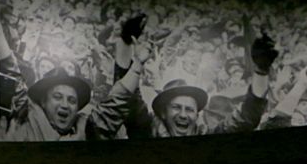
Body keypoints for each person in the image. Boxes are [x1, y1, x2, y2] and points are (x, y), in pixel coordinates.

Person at [0, 18, 143, 141]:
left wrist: (137, 66)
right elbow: (11, 71)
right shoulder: (27, 116)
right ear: (43, 102)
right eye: (57, 97)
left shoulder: (85, 128)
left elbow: (116, 105)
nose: (65, 105)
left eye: (72, 100)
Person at [119, 28, 279, 138]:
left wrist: (261, 71)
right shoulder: (148, 130)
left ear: (197, 115)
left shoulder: (207, 135)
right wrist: (134, 60)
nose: (183, 115)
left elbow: (246, 118)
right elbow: (128, 102)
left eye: (189, 109)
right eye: (176, 107)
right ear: (163, 112)